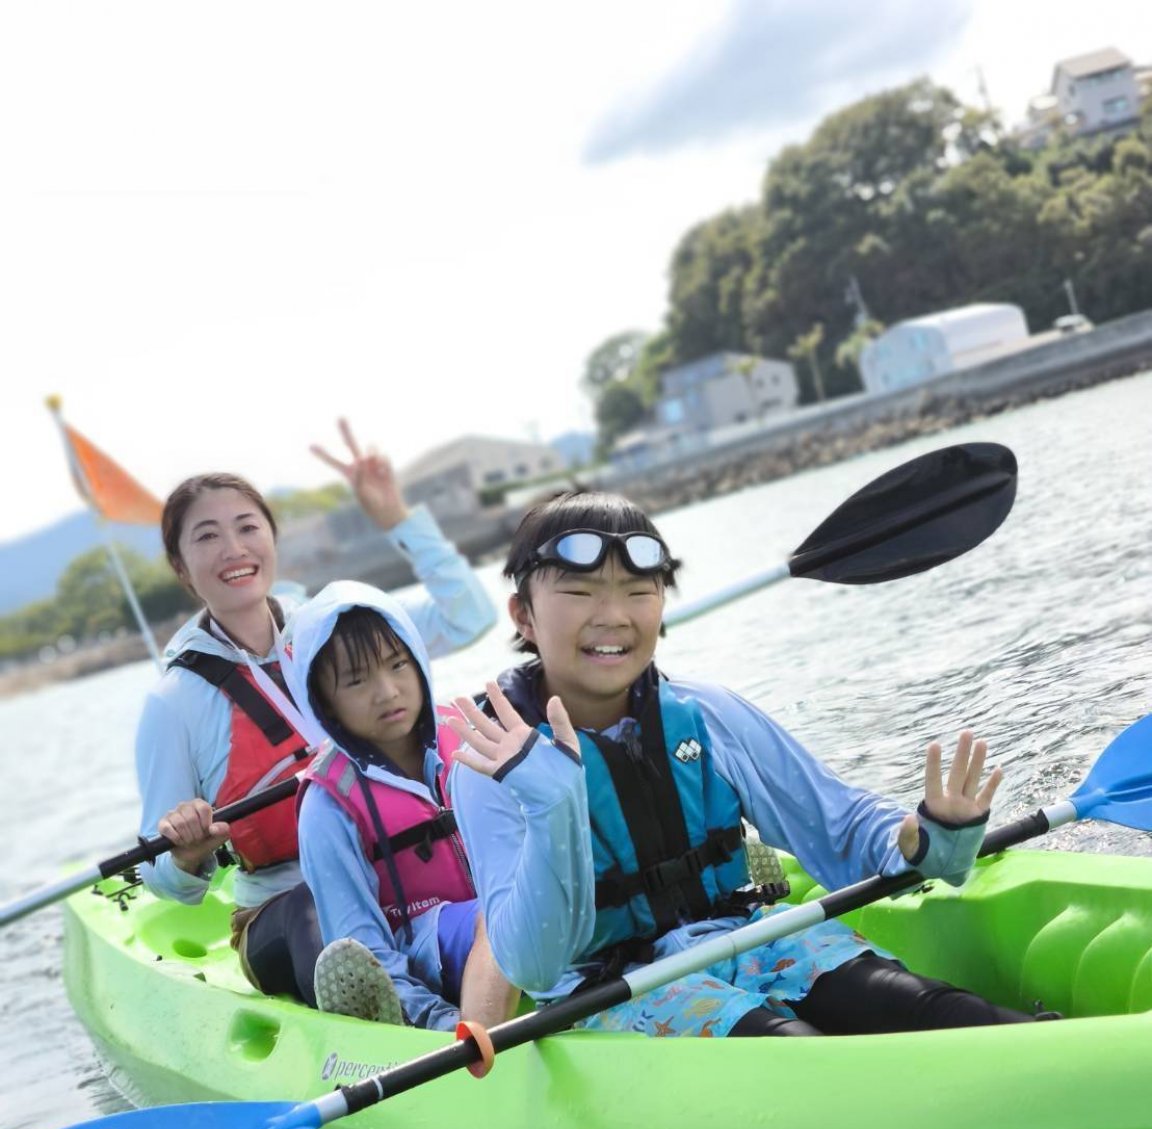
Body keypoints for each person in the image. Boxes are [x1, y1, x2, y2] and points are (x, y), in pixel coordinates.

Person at [445, 490, 1041, 1038]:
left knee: (931, 1010)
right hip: (607, 990)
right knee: (800, 1055)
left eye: (637, 590)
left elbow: (841, 826)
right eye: (580, 593)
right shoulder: (490, 761)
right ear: (523, 614)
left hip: (745, 937)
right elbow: (533, 960)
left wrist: (930, 840)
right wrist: (554, 807)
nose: (613, 616)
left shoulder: (706, 713)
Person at [135, 421, 496, 1012]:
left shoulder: (336, 630)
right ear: (180, 566)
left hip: (402, 880)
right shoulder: (172, 703)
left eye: (248, 528)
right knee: (315, 914)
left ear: (272, 539)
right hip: (284, 908)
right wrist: (186, 853)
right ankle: (385, 1030)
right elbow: (160, 877)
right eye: (207, 537)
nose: (234, 550)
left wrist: (398, 517)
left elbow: (468, 616)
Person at [283, 581, 529, 1030]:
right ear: (323, 702)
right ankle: (475, 1045)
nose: (387, 692)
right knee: (498, 916)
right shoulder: (326, 805)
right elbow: (362, 946)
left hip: (519, 921)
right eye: (356, 681)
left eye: (398, 665)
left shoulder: (472, 736)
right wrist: (433, 1019)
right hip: (428, 949)